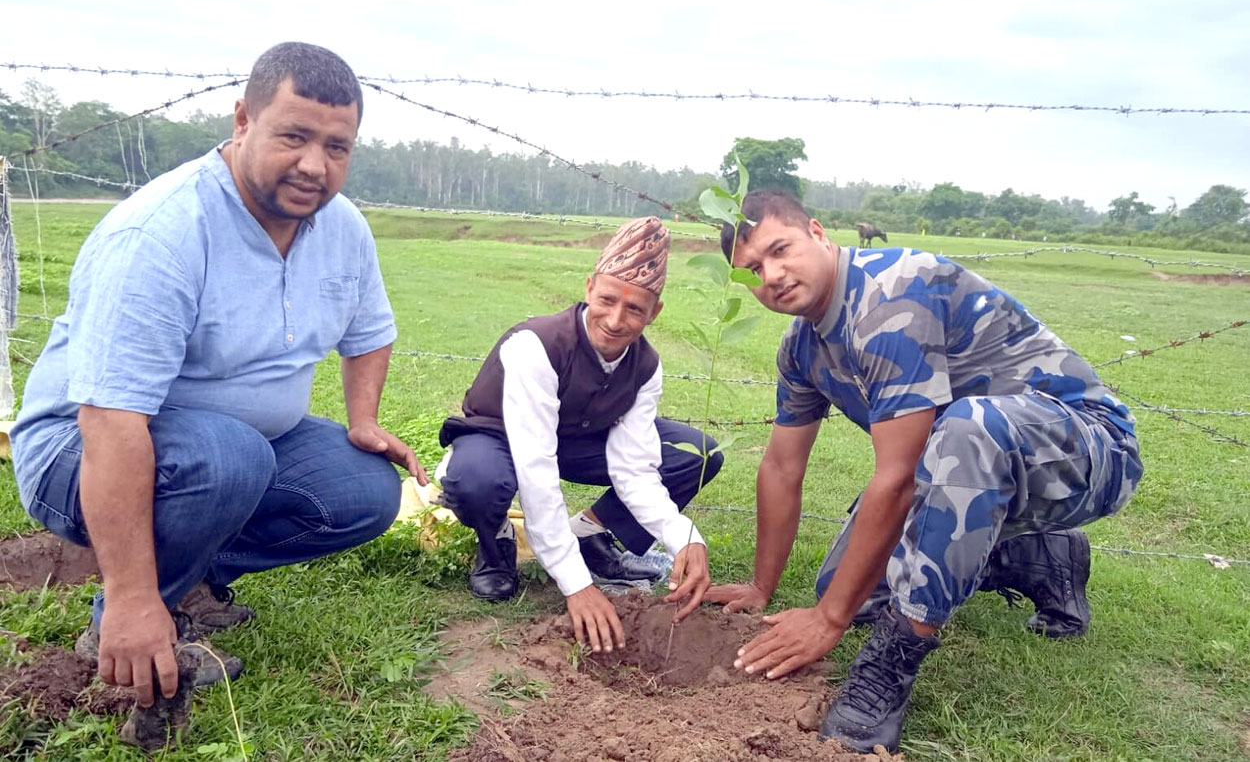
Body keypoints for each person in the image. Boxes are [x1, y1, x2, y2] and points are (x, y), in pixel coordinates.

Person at [10, 42, 424, 749]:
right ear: (243, 120)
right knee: (229, 458)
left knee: (362, 489)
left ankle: (192, 577)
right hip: (77, 451)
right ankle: (129, 614)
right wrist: (135, 600)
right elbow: (111, 421)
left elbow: (370, 331)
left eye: (337, 147)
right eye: (294, 136)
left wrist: (363, 418)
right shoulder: (163, 234)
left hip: (232, 447)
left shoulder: (342, 227)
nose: (315, 165)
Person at [705, 190, 1143, 753]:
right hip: (967, 466)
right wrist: (762, 587)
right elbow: (782, 466)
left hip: (1085, 449)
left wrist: (827, 621)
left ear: (817, 232)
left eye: (779, 249)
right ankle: (1038, 557)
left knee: (966, 428)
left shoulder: (890, 295)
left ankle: (891, 665)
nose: (772, 275)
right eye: (752, 270)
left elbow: (899, 477)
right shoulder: (801, 350)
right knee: (849, 588)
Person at [438, 217, 720, 651]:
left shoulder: (645, 367)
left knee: (696, 454)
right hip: (501, 436)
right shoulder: (537, 346)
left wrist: (684, 536)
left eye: (635, 309)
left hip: (577, 437)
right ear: (589, 288)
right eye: (607, 299)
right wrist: (576, 584)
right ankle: (496, 541)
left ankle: (587, 533)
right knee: (477, 481)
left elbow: (634, 469)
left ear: (655, 312)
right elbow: (536, 468)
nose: (616, 320)